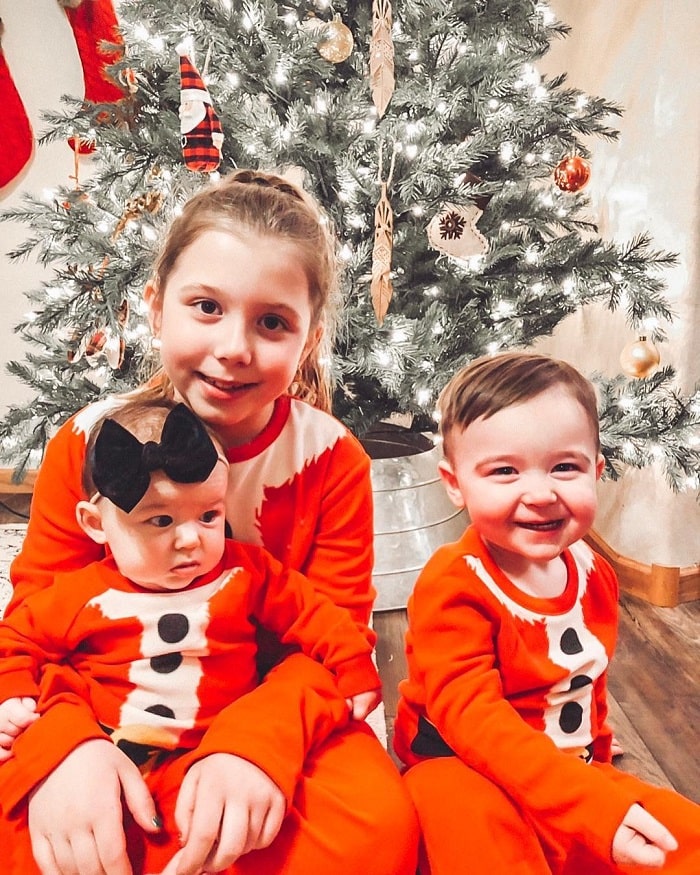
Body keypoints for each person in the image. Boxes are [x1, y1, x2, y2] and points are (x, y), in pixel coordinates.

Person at [0, 168, 419, 875]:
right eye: (205, 307)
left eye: (272, 322)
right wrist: (65, 748)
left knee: (375, 832)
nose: (234, 347)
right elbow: (39, 622)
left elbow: (332, 637)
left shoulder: (332, 458)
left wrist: (255, 745)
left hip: (273, 703)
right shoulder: (89, 440)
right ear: (156, 308)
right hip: (107, 700)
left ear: (308, 338)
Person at [0, 398, 383, 874]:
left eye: (208, 517)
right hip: (109, 739)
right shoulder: (79, 593)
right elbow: (18, 638)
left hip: (219, 735)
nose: (191, 540)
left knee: (345, 830)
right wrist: (14, 694)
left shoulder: (247, 573)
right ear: (96, 525)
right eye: (161, 521)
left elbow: (316, 615)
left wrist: (351, 663)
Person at [393, 351, 700, 874]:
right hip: (463, 766)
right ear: (454, 482)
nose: (540, 493)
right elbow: (472, 718)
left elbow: (589, 679)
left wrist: (596, 757)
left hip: (565, 769)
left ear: (596, 471)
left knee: (681, 837)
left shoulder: (594, 572)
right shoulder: (455, 582)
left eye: (565, 467)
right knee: (476, 833)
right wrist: (590, 802)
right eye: (505, 471)